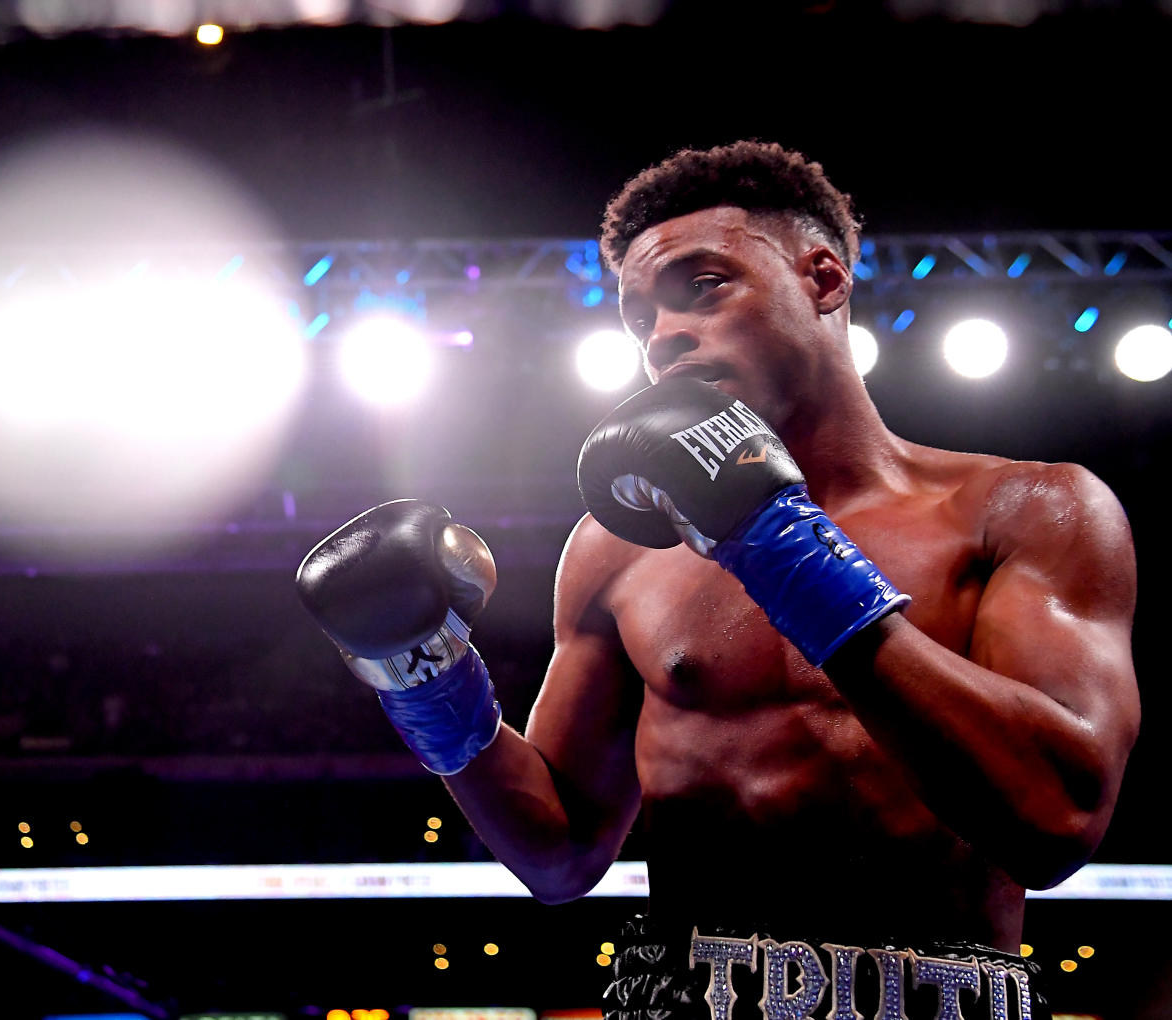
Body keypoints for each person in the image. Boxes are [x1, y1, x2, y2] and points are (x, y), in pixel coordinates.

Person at [296, 140, 1140, 1020]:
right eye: (638, 321)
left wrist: (781, 547)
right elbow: (557, 857)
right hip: (688, 999)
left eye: (702, 286)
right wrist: (422, 675)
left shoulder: (1028, 508)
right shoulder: (616, 549)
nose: (664, 338)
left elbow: (1055, 820)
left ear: (824, 280)